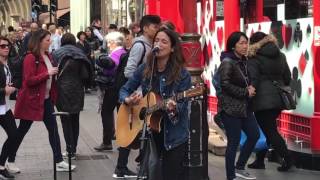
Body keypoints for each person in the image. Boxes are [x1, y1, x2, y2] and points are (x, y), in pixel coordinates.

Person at [118, 28, 191, 180]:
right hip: (150, 133)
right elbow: (124, 89)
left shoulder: (182, 74)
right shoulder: (146, 69)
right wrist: (128, 100)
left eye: (164, 42)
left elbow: (183, 108)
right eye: (156, 41)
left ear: (172, 48)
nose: (159, 44)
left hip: (174, 136)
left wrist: (173, 107)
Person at [13, 29, 76, 171]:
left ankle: (59, 161)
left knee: (53, 129)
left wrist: (55, 73)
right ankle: (9, 160)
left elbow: (49, 77)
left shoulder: (48, 55)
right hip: (31, 101)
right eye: (48, 40)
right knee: (22, 130)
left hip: (46, 100)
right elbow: (29, 80)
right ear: (39, 41)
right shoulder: (30, 58)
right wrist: (47, 73)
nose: (51, 42)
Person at [247, 32, 293, 171]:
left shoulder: (254, 58)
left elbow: (253, 78)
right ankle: (260, 160)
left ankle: (288, 159)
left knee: (269, 130)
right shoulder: (281, 55)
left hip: (262, 100)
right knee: (267, 129)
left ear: (255, 43)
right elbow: (287, 77)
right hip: (278, 98)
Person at [218, 31, 260, 180]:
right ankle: (231, 176)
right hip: (230, 108)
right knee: (233, 143)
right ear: (233, 45)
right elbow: (225, 84)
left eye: (246, 42)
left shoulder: (243, 60)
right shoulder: (227, 62)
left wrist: (251, 88)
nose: (245, 46)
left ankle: (240, 167)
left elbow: (247, 78)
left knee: (254, 135)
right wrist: (245, 92)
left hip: (245, 107)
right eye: (241, 43)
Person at [52, 33, 92, 159]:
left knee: (65, 119)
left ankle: (69, 149)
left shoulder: (56, 53)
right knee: (75, 119)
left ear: (62, 41)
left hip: (62, 89)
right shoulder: (80, 53)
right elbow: (87, 75)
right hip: (77, 88)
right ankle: (73, 148)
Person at [94, 31, 127, 152]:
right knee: (122, 114)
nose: (107, 45)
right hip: (122, 87)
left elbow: (111, 68)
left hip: (112, 87)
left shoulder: (115, 54)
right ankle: (123, 142)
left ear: (113, 43)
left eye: (108, 42)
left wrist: (102, 67)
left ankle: (107, 141)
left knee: (106, 113)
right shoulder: (124, 52)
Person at [0, 36, 18, 179]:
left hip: (3, 107)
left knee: (14, 135)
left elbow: (15, 78)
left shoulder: (8, 63)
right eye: (2, 46)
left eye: (7, 45)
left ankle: (1, 165)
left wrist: (13, 86)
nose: (6, 48)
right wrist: (4, 91)